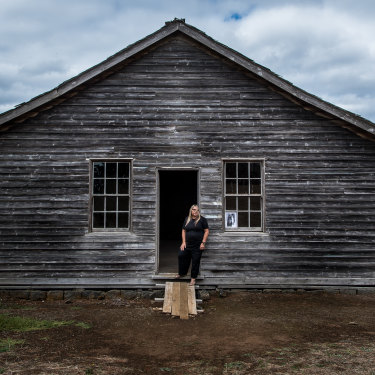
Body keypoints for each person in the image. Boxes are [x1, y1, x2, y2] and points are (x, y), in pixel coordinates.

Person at [176, 204, 209, 286]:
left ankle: (193, 279)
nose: (195, 211)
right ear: (191, 210)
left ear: (199, 211)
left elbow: (206, 231)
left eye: (197, 210)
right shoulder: (187, 219)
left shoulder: (202, 220)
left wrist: (203, 242)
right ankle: (182, 273)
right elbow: (183, 230)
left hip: (198, 245)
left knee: (195, 261)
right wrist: (183, 242)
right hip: (187, 244)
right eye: (194, 209)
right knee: (181, 255)